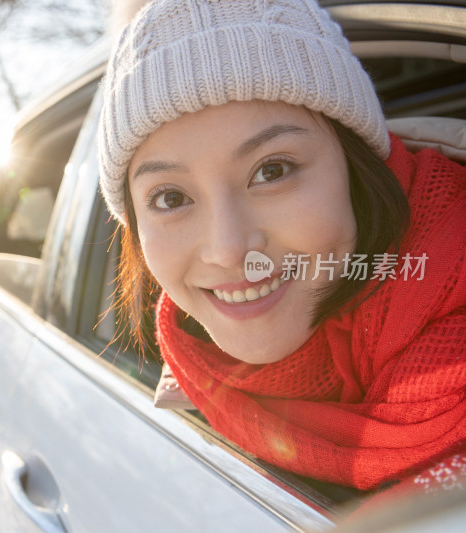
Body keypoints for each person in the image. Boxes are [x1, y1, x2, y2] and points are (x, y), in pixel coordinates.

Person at [98, 0, 466, 492]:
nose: (228, 249)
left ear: (354, 164)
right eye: (170, 197)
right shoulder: (192, 363)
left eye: (272, 171)